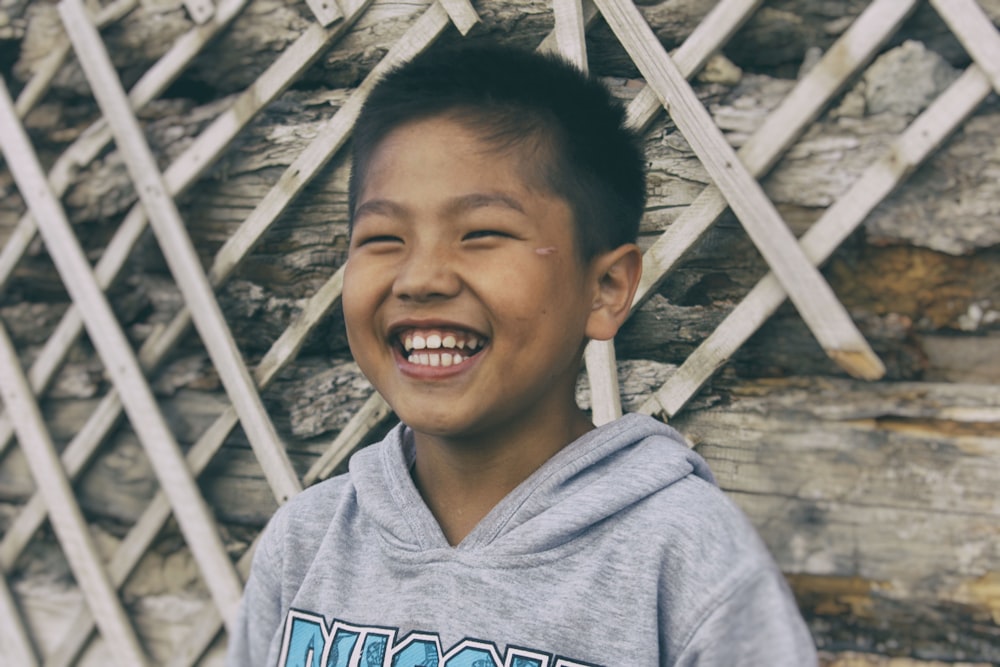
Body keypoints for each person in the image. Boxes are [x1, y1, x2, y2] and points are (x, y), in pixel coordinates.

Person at [227, 43, 818, 667]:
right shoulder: (308, 542)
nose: (421, 278)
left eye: (482, 234)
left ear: (606, 288)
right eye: (383, 238)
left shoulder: (686, 557)